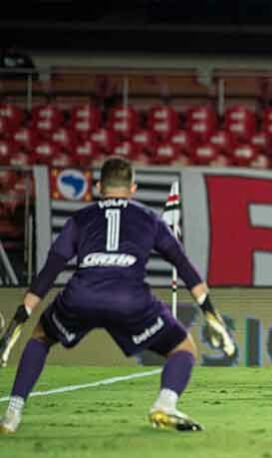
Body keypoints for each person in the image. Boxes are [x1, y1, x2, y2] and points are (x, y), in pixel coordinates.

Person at [0, 157, 234, 434]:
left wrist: (19, 320)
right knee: (184, 349)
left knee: (40, 338)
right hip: (129, 299)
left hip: (81, 295)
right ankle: (165, 404)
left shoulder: (80, 218)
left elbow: (51, 270)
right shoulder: (150, 218)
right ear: (133, 188)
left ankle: (12, 414)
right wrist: (210, 312)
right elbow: (184, 266)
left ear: (99, 187)